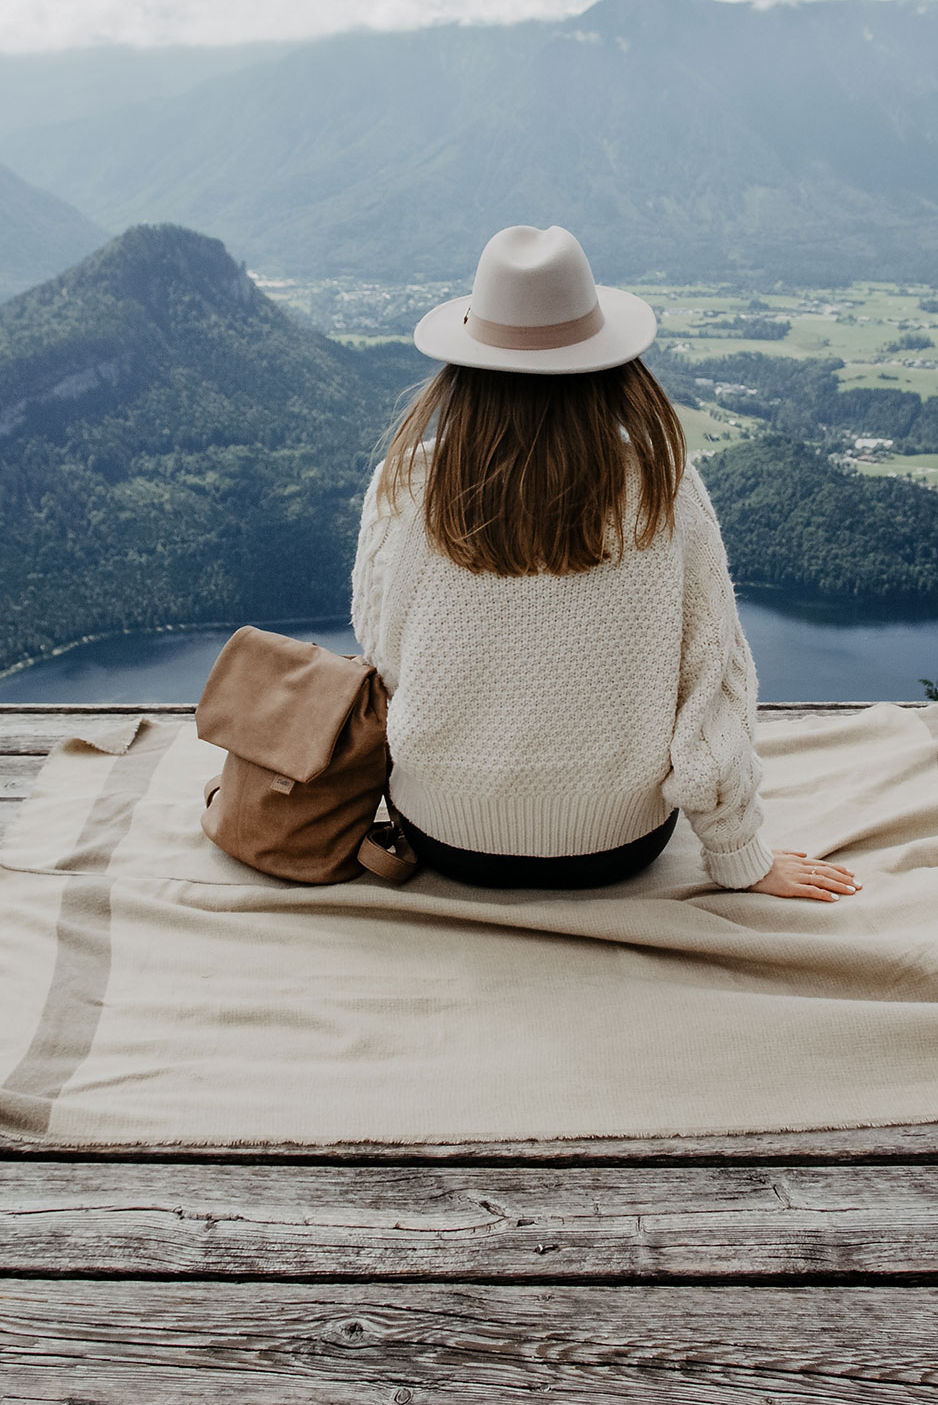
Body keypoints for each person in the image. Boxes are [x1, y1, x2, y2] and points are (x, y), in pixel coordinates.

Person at [352, 224, 859, 902]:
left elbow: (383, 659)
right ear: (611, 365)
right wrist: (740, 856)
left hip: (443, 837)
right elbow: (709, 680)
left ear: (463, 367)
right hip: (616, 846)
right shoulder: (662, 487)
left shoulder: (406, 483)